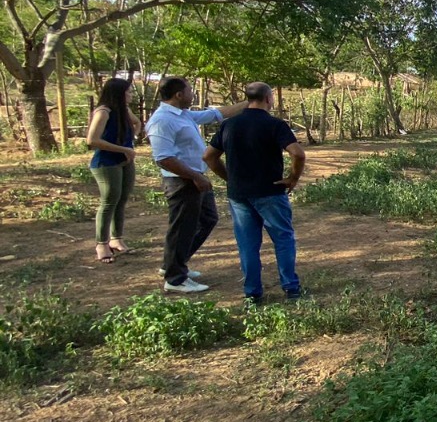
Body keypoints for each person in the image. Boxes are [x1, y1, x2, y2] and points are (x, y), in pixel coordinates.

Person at [203, 82, 305, 304]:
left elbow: (209, 156)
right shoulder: (275, 125)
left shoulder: (229, 125)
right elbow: (297, 153)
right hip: (270, 191)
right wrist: (292, 178)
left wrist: (229, 177)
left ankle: (252, 292)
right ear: (268, 98)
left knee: (248, 244)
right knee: (283, 239)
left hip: (239, 194)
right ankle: (291, 287)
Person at [146, 77, 247, 294]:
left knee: (207, 220)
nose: (193, 93)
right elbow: (163, 158)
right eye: (190, 90)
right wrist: (195, 177)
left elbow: (215, 114)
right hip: (182, 181)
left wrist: (249, 102)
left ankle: (174, 264)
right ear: (179, 95)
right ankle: (174, 279)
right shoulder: (162, 120)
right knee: (182, 227)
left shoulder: (183, 114)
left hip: (194, 177)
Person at [86, 77, 142, 263]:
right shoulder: (103, 112)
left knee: (121, 199)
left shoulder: (124, 110)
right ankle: (101, 243)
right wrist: (124, 149)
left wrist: (130, 140)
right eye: (129, 91)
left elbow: (137, 123)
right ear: (119, 93)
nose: (131, 95)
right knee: (109, 201)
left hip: (125, 161)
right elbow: (92, 141)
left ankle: (116, 239)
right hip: (106, 163)